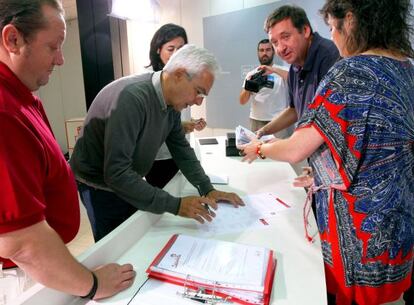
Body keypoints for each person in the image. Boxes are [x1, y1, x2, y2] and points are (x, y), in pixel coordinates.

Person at [240, 0, 414, 304]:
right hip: (398, 213)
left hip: (358, 226)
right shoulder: (406, 69)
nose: (332, 37)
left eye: (333, 28)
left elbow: (297, 148)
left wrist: (261, 148)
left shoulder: (348, 70)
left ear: (351, 21)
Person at [0, 0, 135, 301]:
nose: (60, 60)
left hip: (42, 260)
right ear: (13, 39)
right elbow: (21, 242)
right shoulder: (4, 112)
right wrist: (93, 284)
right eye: (53, 46)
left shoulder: (25, 97)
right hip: (20, 271)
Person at [70, 44, 244, 242]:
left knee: (135, 233)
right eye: (198, 92)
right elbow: (116, 174)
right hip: (97, 184)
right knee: (115, 243)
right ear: (179, 74)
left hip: (120, 177)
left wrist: (207, 188)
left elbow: (182, 150)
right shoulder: (133, 99)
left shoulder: (170, 105)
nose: (198, 102)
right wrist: (176, 205)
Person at [256, 5, 339, 138]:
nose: (281, 48)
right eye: (275, 43)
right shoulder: (295, 66)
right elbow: (294, 110)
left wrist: (277, 148)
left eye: (286, 37)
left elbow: (328, 121)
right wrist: (262, 132)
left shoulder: (330, 57)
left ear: (305, 30)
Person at [145, 23, 207, 189]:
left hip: (179, 151)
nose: (176, 54)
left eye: (181, 49)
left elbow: (177, 114)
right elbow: (151, 126)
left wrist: (190, 123)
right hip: (158, 157)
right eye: (170, 48)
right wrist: (181, 126)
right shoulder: (149, 82)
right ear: (158, 49)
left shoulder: (186, 77)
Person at [239, 39, 289, 137]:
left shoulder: (282, 71)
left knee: (278, 150)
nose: (264, 53)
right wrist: (248, 86)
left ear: (273, 51)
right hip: (256, 120)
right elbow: (242, 101)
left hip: (277, 121)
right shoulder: (251, 74)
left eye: (268, 50)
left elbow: (295, 78)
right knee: (257, 150)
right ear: (258, 53)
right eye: (261, 50)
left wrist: (273, 70)